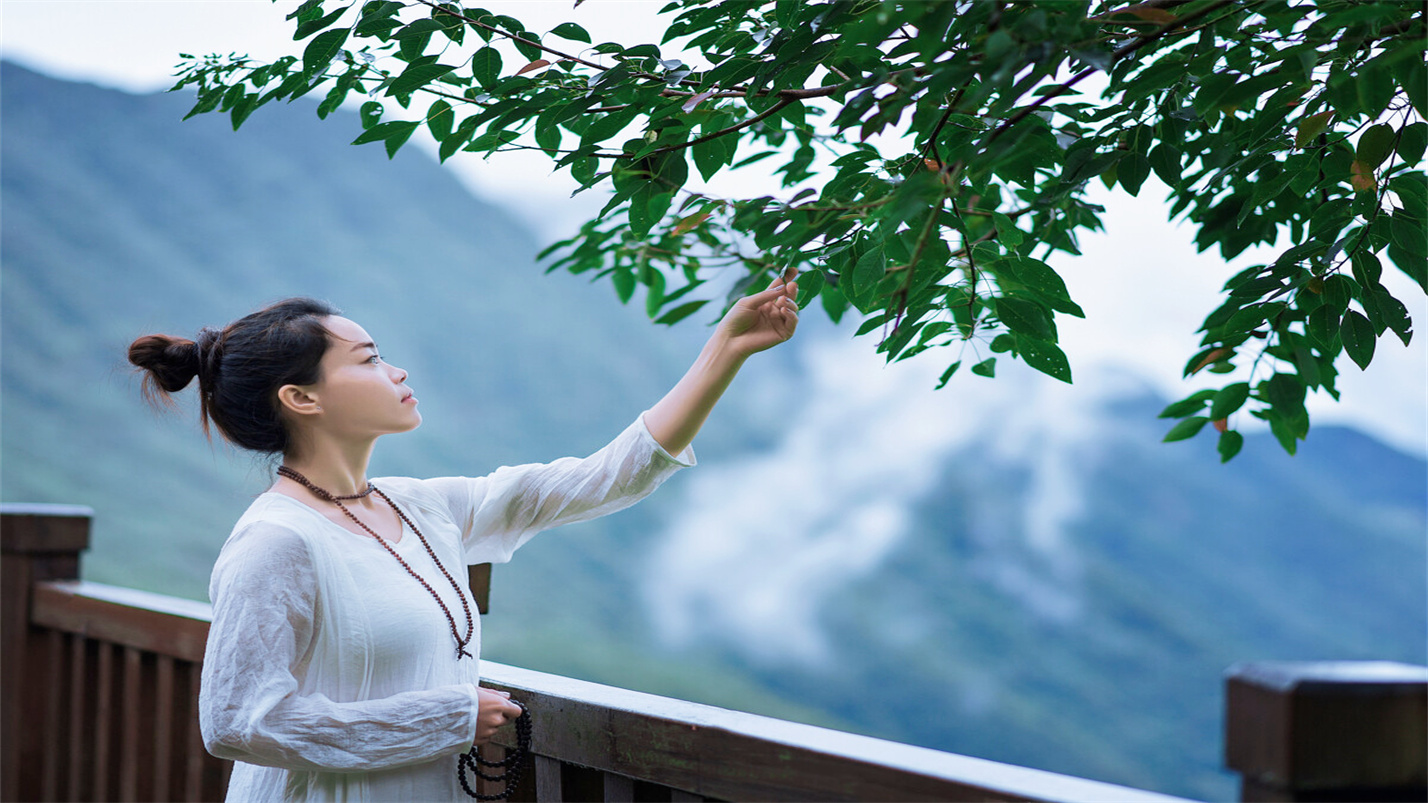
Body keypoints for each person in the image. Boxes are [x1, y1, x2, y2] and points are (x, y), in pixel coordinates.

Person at [127, 271, 799, 801]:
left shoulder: (424, 506)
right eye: (368, 360)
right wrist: (442, 717)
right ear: (302, 398)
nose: (397, 372)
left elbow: (602, 479)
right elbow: (236, 720)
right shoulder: (276, 540)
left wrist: (725, 349)